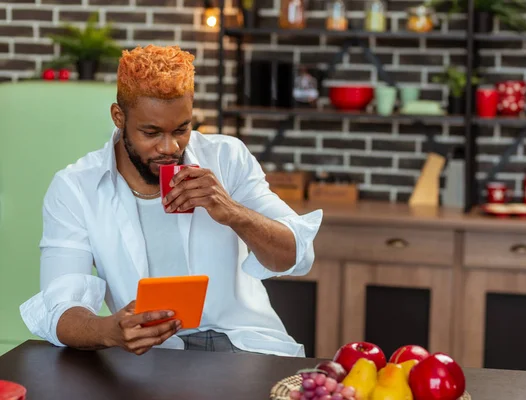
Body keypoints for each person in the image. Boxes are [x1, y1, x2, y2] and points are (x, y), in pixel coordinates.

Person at [19, 45, 323, 357]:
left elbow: (295, 255)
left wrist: (233, 212)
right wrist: (110, 330)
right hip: (150, 355)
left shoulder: (227, 158)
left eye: (182, 129)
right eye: (151, 133)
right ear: (118, 117)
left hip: (245, 344)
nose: (170, 147)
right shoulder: (75, 188)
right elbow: (60, 308)